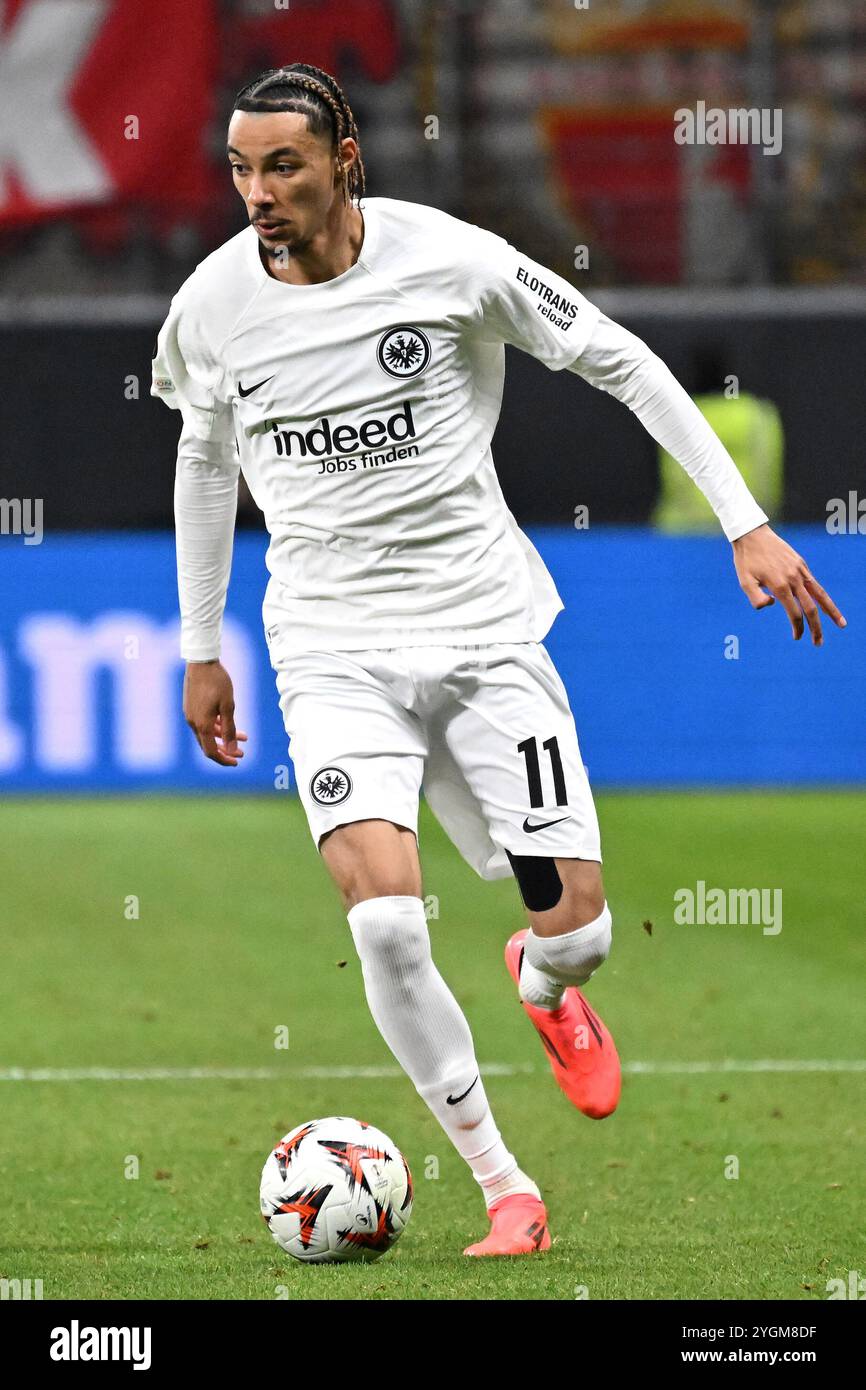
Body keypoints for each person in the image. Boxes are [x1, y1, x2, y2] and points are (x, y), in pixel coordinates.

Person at [151, 63, 846, 1258]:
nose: (257, 193)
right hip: (329, 646)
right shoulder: (212, 305)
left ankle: (543, 975)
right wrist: (200, 645)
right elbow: (204, 463)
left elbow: (620, 358)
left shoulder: (452, 262)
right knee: (383, 924)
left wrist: (744, 521)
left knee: (578, 925)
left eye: (282, 166)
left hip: (482, 629)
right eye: (240, 169)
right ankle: (502, 1186)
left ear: (345, 160)